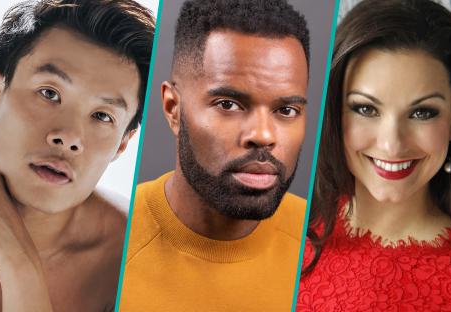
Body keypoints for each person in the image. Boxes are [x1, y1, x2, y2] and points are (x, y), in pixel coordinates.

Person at [119, 0, 310, 311]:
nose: (263, 135)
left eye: (286, 110)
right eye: (228, 104)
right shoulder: (113, 247)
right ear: (173, 108)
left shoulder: (320, 243)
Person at [0, 0, 154, 311]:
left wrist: (19, 268)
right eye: (50, 93)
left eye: (103, 116)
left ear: (122, 144)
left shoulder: (134, 259)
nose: (69, 137)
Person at [297, 0, 451, 310]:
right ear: (334, 111)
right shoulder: (283, 226)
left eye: (423, 112)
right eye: (365, 108)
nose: (392, 145)